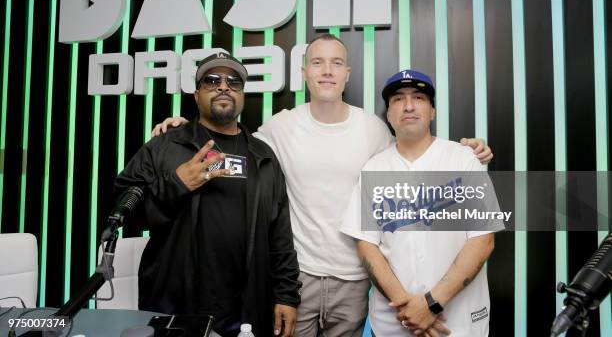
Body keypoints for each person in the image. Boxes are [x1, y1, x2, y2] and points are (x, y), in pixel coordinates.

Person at [152, 34, 494, 336]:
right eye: (317, 62)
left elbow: (412, 160)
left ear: (347, 73)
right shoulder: (280, 127)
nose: (327, 70)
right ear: (304, 74)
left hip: (355, 278)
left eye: (336, 63)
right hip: (298, 277)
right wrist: (186, 129)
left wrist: (468, 154)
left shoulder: (374, 128)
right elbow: (232, 144)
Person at [114, 52, 300, 337]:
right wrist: (177, 183)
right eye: (212, 80)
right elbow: (124, 211)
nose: (223, 86)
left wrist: (286, 295)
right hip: (177, 307)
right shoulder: (165, 146)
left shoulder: (263, 156)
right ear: (196, 94)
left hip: (246, 309)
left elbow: (280, 234)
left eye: (233, 81)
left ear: (242, 94)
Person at [340, 69, 501, 337]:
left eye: (419, 97)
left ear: (432, 111)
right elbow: (367, 246)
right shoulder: (374, 169)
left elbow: (482, 240)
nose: (409, 105)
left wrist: (431, 303)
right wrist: (411, 311)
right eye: (398, 99)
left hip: (458, 321)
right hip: (395, 322)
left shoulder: (463, 160)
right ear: (389, 114)